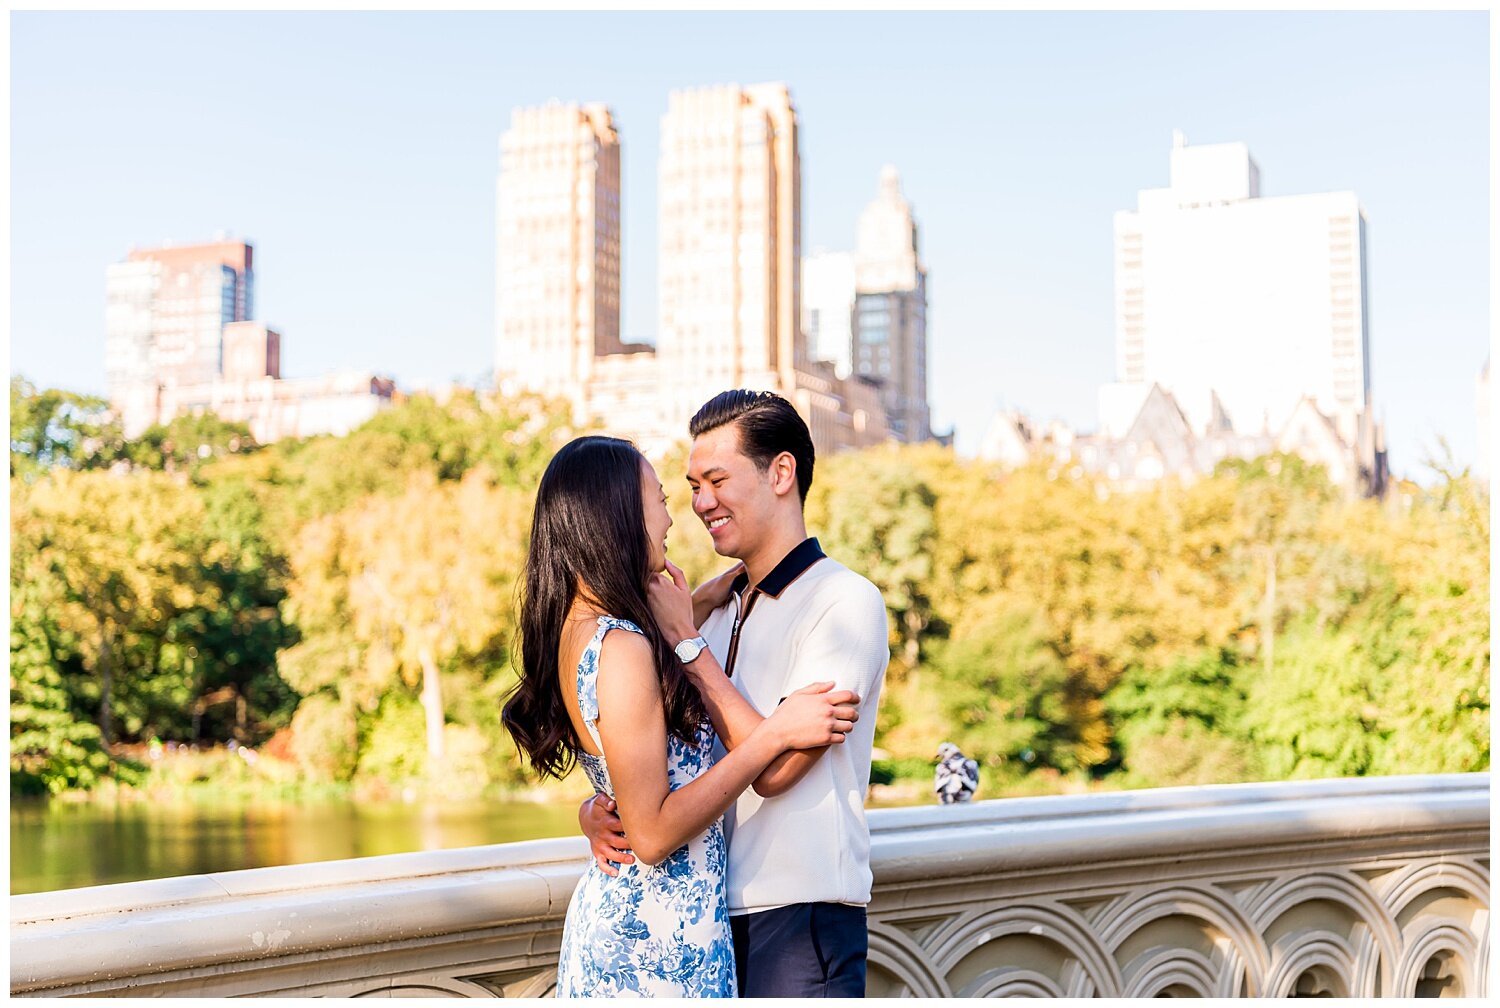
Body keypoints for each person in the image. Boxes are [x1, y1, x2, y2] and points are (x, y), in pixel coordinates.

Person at [500, 435, 861, 998]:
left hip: (650, 921)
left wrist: (709, 597)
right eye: (664, 497)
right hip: (655, 940)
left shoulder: (585, 627)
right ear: (617, 513)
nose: (675, 517)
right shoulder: (622, 648)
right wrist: (775, 736)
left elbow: (627, 762)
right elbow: (651, 833)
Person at [581, 391, 890, 997]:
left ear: (782, 473)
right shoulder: (712, 611)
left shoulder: (845, 603)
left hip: (801, 918)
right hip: (705, 923)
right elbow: (650, 748)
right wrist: (599, 809)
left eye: (717, 480)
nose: (700, 504)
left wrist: (688, 647)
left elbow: (776, 774)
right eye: (692, 485)